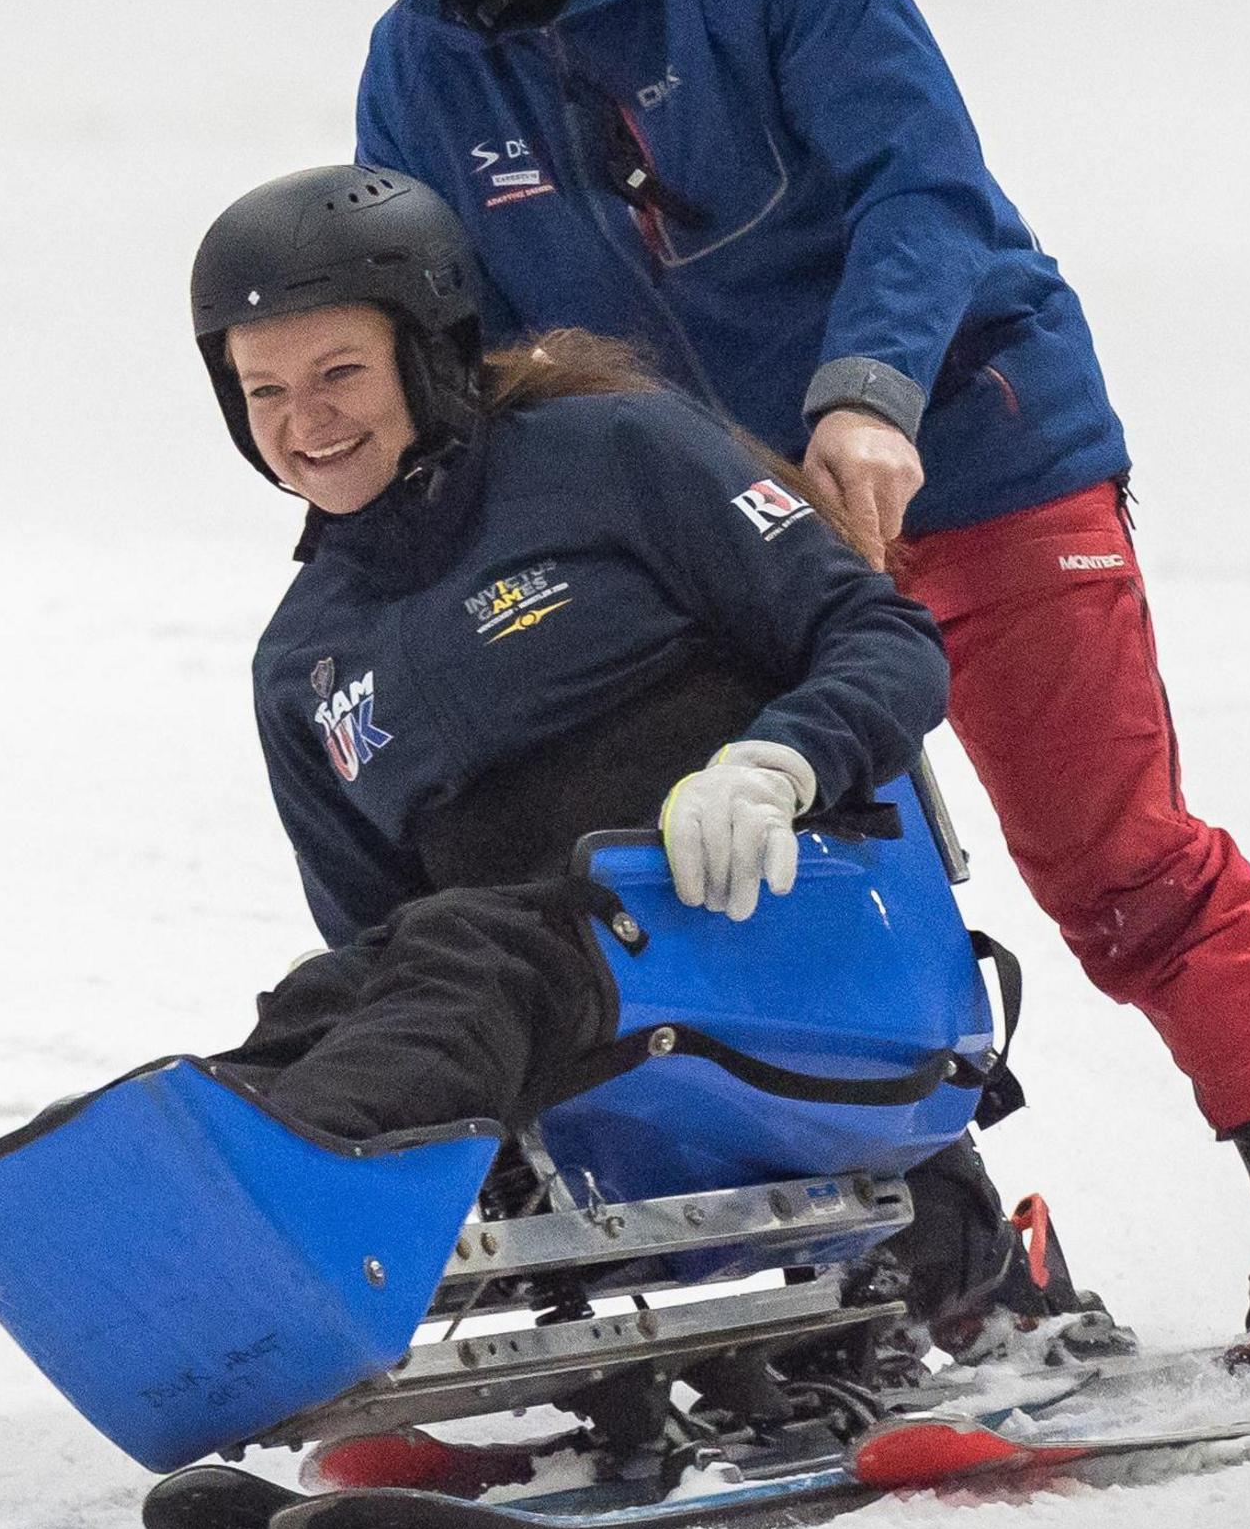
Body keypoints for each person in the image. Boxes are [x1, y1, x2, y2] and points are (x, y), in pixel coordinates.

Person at [307, 0, 1250, 1355]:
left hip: (979, 440)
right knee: (765, 884)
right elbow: (467, 364)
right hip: (715, 522)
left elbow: (922, 187)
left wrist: (870, 400)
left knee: (1113, 863)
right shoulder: (419, 71)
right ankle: (942, 1255)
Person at [185, 161, 1088, 1342]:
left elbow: (882, 636)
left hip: (778, 932)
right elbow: (373, 937)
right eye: (264, 393)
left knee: (467, 956)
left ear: (429, 350)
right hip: (552, 1002)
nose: (306, 424)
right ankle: (184, 1219)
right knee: (337, 1000)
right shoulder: (301, 660)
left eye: (341, 372)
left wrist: (779, 764)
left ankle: (272, 1252)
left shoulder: (612, 454)